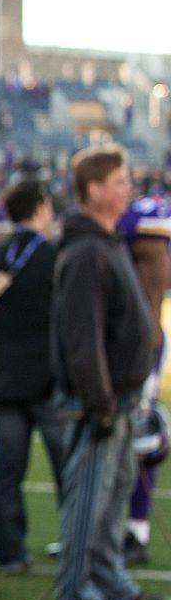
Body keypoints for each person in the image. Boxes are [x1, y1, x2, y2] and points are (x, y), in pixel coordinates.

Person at [52, 145, 164, 600]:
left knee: (114, 492)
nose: (128, 189)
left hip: (122, 395)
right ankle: (76, 595)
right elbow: (83, 338)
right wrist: (99, 403)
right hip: (101, 400)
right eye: (119, 181)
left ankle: (109, 580)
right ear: (95, 190)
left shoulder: (106, 242)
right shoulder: (85, 252)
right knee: (89, 499)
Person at [0, 180, 64, 575]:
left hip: (6, 379)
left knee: (8, 470)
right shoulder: (58, 258)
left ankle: (10, 552)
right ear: (40, 209)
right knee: (67, 470)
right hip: (51, 381)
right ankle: (77, 543)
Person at [116, 194, 171, 566]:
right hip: (136, 341)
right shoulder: (129, 248)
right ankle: (127, 530)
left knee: (139, 442)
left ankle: (135, 531)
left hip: (144, 343)